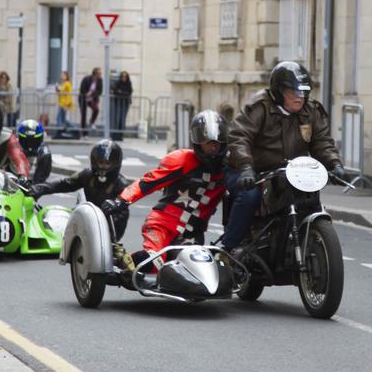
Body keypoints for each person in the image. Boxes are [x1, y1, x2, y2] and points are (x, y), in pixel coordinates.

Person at [221, 61, 346, 253]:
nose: (300, 97)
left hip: (293, 171)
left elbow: (322, 141)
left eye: (303, 92)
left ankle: (307, 243)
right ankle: (230, 249)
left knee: (309, 198)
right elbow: (239, 137)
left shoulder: (311, 111)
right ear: (279, 92)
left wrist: (334, 163)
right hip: (251, 168)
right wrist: (246, 167)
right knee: (249, 197)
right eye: (293, 92)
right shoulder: (260, 107)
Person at [107, 110, 228, 272]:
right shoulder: (181, 160)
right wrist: (121, 200)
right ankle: (123, 262)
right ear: (198, 142)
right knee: (155, 262)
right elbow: (147, 183)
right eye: (208, 143)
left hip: (191, 235)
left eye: (216, 143)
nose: (213, 148)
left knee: (196, 268)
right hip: (162, 225)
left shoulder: (229, 169)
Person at [29, 139, 129, 241]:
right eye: (100, 162)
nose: (103, 166)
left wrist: (115, 203)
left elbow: (126, 200)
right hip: (87, 217)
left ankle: (110, 242)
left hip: (107, 223)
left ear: (115, 163)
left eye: (107, 163)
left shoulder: (121, 184)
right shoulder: (87, 175)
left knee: (122, 212)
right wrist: (38, 188)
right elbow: (64, 183)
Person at [16, 119, 52, 184]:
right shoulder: (13, 148)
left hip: (34, 188)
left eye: (33, 141)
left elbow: (40, 180)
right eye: (26, 141)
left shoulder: (45, 154)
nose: (30, 144)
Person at [78, 68, 102, 137]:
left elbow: (100, 91)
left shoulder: (100, 80)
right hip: (83, 99)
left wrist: (91, 93)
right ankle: (84, 133)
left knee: (96, 109)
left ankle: (91, 122)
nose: (100, 75)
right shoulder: (86, 79)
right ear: (95, 74)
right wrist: (86, 93)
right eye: (99, 73)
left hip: (92, 99)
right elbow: (82, 89)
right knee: (83, 115)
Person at [110, 70, 133, 141]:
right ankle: (114, 135)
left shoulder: (128, 84)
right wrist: (122, 92)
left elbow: (129, 92)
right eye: (122, 76)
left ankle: (120, 135)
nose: (124, 78)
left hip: (125, 103)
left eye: (125, 76)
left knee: (122, 120)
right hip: (117, 103)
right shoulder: (118, 83)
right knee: (116, 119)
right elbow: (115, 91)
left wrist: (121, 92)